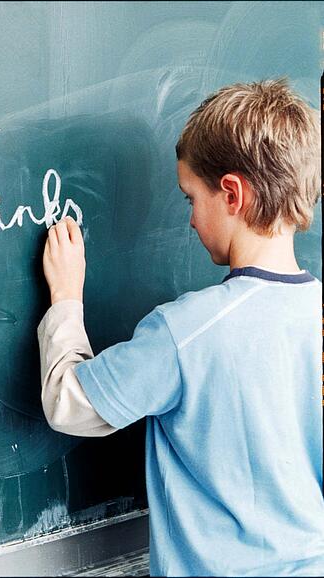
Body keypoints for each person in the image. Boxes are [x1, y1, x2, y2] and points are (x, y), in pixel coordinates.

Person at [37, 79, 324, 576]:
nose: (190, 220)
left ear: (231, 193)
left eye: (191, 198)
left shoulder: (188, 332)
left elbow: (70, 404)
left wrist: (65, 299)